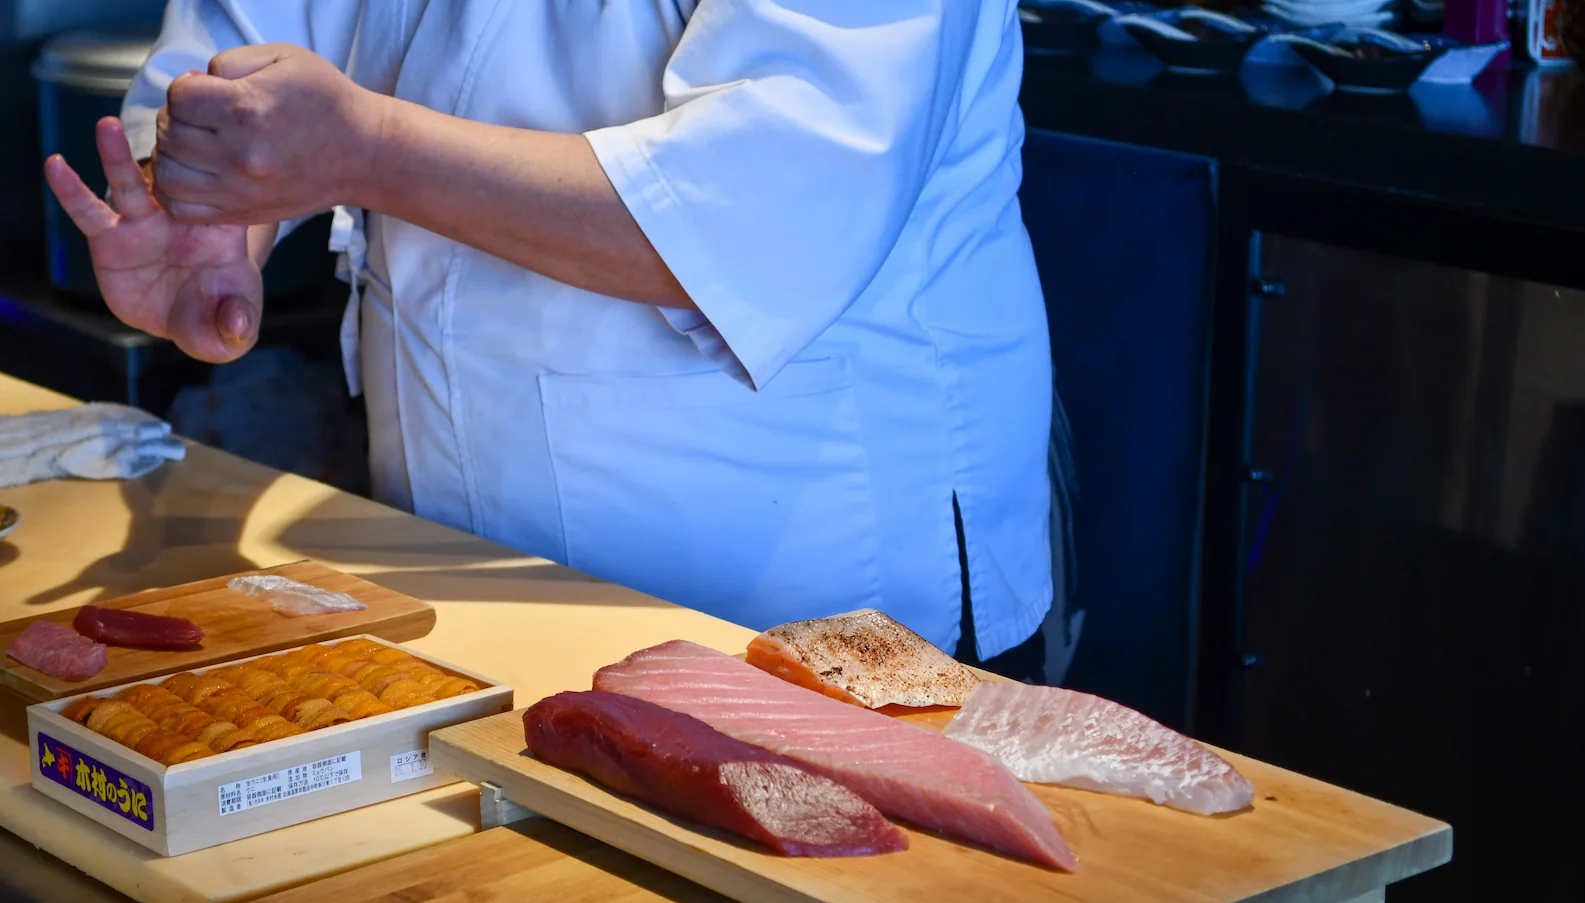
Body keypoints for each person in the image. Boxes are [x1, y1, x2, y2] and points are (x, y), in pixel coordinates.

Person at [45, 0, 1053, 675]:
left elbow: (769, 203)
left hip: (797, 546)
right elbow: (243, 35)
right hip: (446, 529)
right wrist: (221, 206)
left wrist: (362, 151)